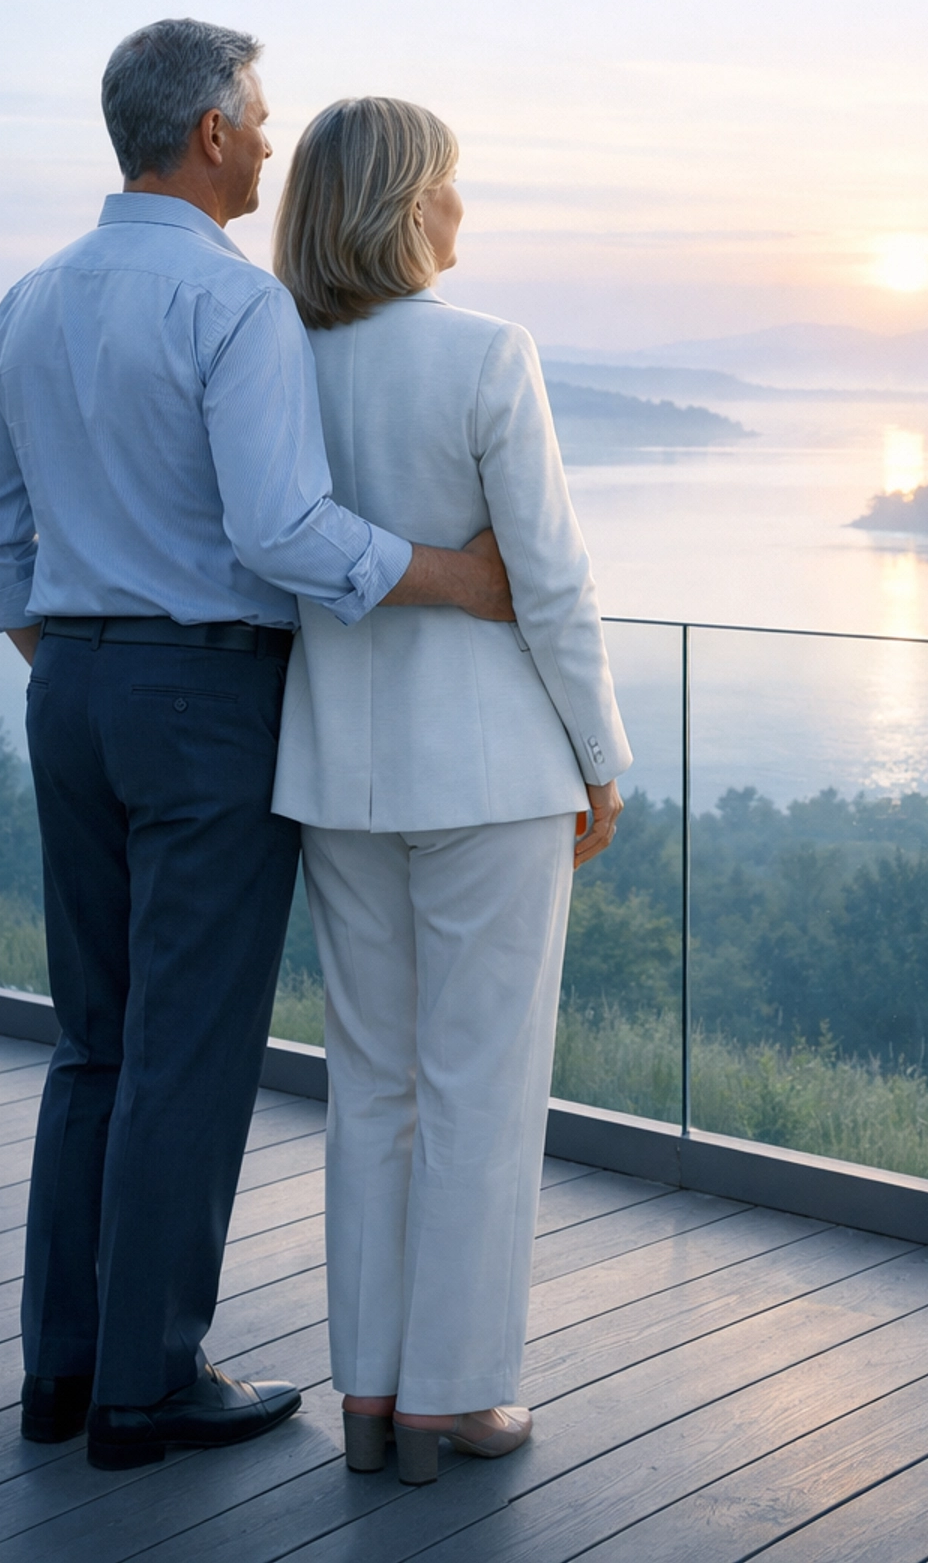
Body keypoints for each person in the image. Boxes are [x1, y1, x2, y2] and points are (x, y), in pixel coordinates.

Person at [0, 22, 515, 1473]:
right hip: (203, 702)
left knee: (93, 1043)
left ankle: (62, 1376)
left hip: (68, 690)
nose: (272, 142)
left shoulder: (29, 298)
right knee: (186, 1056)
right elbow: (279, 530)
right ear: (207, 132)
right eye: (257, 121)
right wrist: (460, 576)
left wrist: (81, 655)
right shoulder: (234, 306)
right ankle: (148, 1386)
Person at [271, 96, 632, 1487]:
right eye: (449, 186)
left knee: (371, 1090)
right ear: (402, 204)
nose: (463, 212)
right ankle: (459, 1399)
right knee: (483, 1089)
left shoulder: (277, 364)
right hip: (488, 776)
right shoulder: (489, 353)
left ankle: (367, 1398)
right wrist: (600, 757)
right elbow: (551, 577)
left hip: (337, 776)